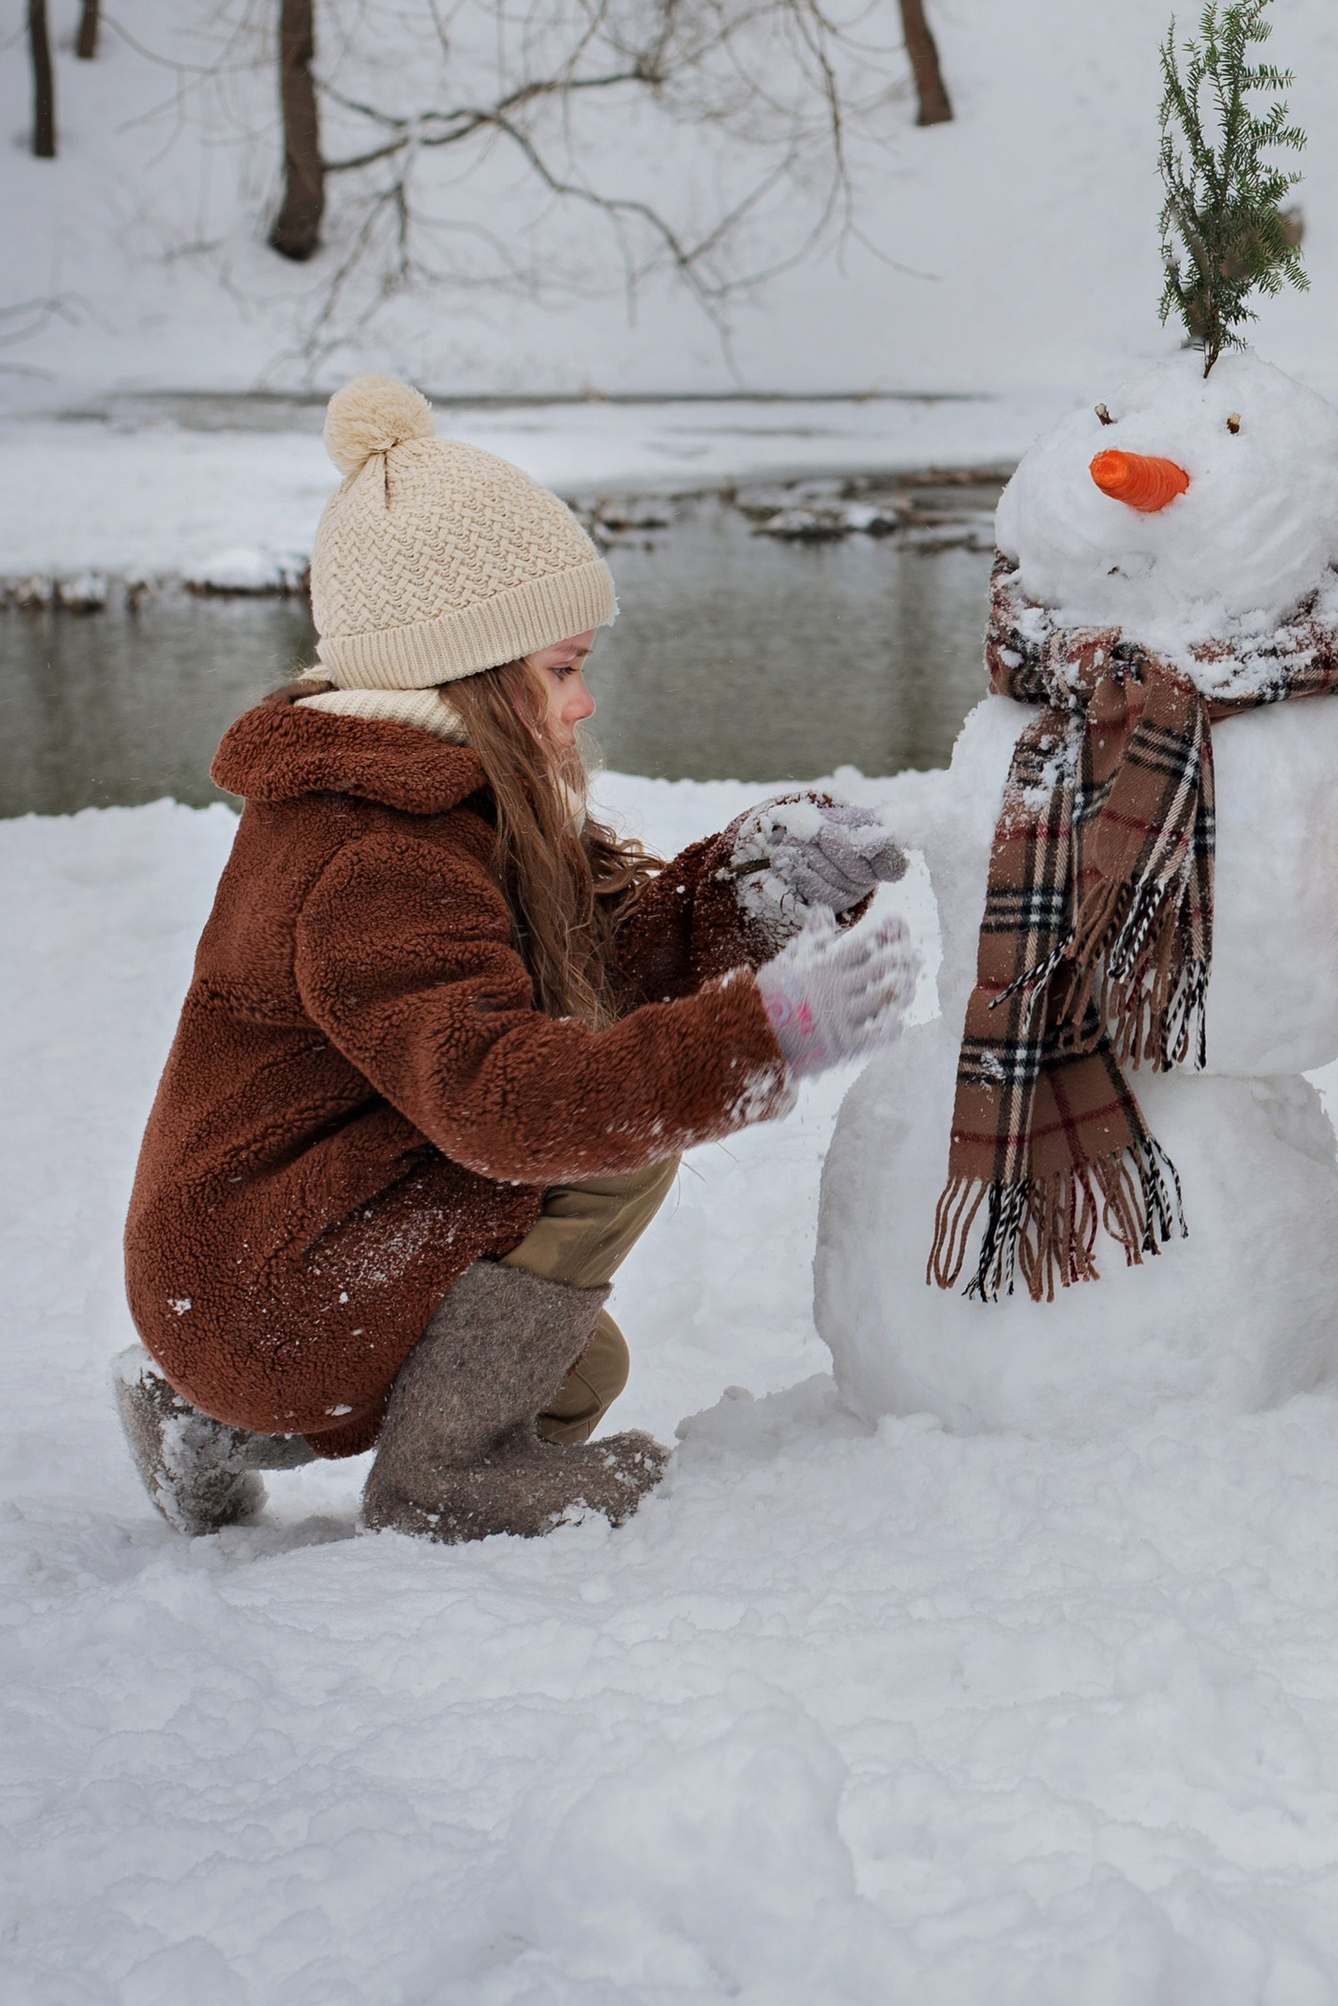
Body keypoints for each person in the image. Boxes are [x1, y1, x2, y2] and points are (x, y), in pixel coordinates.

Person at [117, 373, 917, 1546]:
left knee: (578, 1369)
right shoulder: (375, 852)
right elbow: (510, 1103)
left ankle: (204, 1423)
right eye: (559, 668)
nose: (582, 703)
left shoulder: (432, 794)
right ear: (469, 672)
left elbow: (589, 970)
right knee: (620, 1135)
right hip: (271, 1286)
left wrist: (763, 886)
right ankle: (444, 1476)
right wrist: (760, 1039)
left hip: (259, 1270)